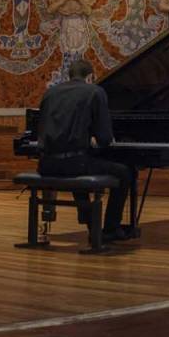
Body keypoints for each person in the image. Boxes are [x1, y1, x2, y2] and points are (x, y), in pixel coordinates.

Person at [36, 58, 134, 242]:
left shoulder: (50, 93)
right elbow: (105, 137)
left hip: (46, 164)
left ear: (70, 75)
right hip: (74, 163)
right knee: (125, 172)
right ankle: (110, 229)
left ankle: (91, 225)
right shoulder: (94, 92)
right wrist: (97, 141)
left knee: (81, 163)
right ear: (90, 77)